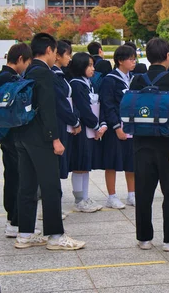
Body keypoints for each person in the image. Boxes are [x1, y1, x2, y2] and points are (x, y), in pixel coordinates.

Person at [12, 33, 85, 250]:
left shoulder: (27, 72)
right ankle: (55, 236)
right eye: (54, 52)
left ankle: (24, 234)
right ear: (50, 50)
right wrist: (55, 139)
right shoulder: (44, 74)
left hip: (23, 137)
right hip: (41, 139)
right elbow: (48, 110)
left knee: (27, 186)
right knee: (51, 186)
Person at [129, 38, 169, 252]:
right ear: (168, 57)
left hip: (141, 143)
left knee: (144, 192)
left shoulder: (137, 79)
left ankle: (144, 238)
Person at [0, 43, 33, 238]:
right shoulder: (9, 79)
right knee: (17, 177)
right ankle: (15, 222)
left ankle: (12, 220)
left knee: (12, 176)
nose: (28, 66)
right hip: (11, 135)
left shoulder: (1, 77)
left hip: (5, 134)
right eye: (28, 62)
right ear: (20, 60)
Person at [100, 45, 137, 209]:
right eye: (130, 59)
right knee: (112, 162)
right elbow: (107, 105)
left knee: (132, 161)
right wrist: (116, 127)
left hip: (131, 125)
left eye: (134, 58)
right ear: (120, 61)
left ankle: (132, 194)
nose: (133, 61)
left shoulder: (134, 78)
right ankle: (112, 196)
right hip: (116, 126)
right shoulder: (110, 79)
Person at [69, 52, 107, 212]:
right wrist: (97, 126)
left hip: (90, 129)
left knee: (85, 165)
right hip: (82, 130)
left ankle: (85, 197)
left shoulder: (88, 83)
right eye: (89, 65)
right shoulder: (77, 84)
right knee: (79, 165)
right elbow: (84, 109)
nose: (93, 69)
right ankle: (79, 200)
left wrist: (101, 124)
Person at [52, 41, 81, 182]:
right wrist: (75, 121)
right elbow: (61, 103)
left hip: (65, 122)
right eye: (68, 54)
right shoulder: (53, 75)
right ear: (57, 55)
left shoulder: (60, 74)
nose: (70, 58)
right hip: (59, 122)